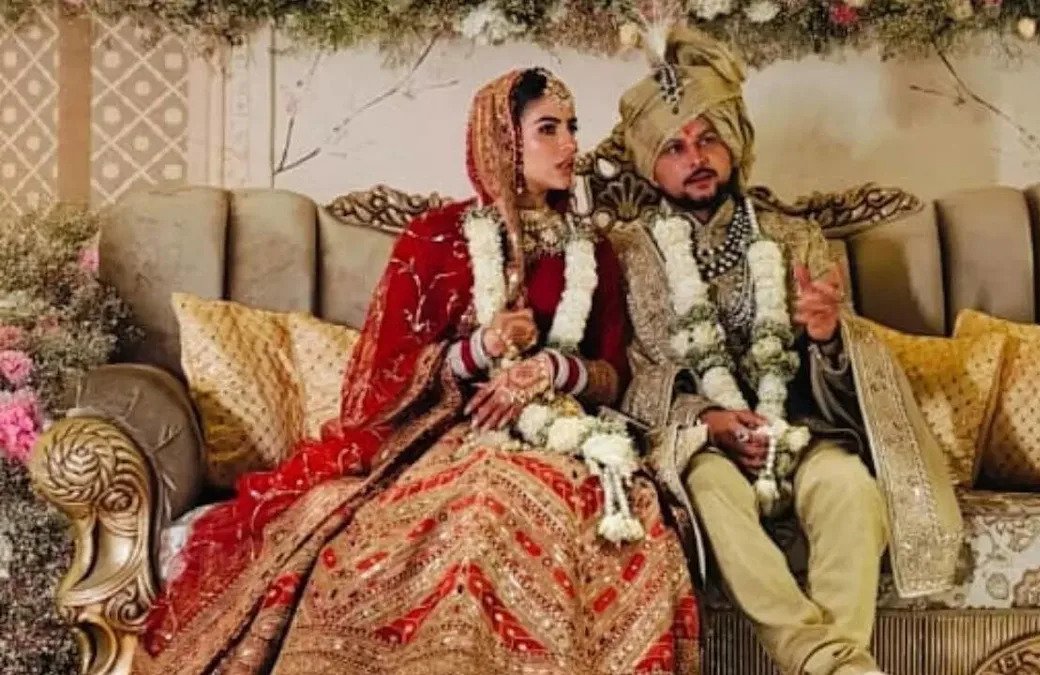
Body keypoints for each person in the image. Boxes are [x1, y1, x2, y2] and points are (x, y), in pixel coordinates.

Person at [134, 68, 699, 675]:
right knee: (478, 507)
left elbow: (612, 375)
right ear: (503, 140)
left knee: (608, 516)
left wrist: (553, 369)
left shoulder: (593, 251)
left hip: (565, 438)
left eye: (572, 127)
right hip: (448, 435)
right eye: (548, 129)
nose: (570, 145)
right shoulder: (436, 239)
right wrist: (479, 349)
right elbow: (379, 378)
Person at [607, 25, 963, 675]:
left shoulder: (795, 238)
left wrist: (828, 337)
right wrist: (709, 420)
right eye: (675, 146)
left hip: (798, 431)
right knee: (711, 492)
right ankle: (833, 664)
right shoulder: (626, 254)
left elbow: (844, 384)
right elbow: (628, 374)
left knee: (850, 489)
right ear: (650, 163)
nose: (696, 157)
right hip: (701, 445)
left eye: (709, 138)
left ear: (734, 143)